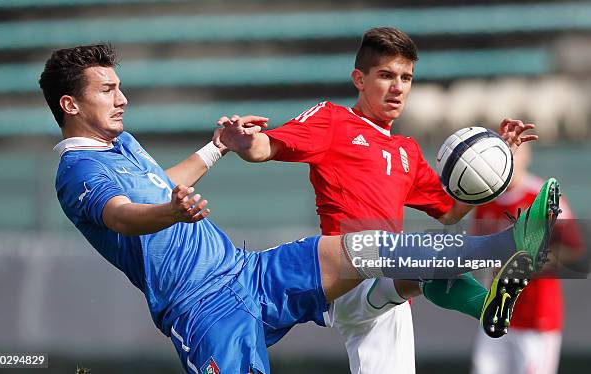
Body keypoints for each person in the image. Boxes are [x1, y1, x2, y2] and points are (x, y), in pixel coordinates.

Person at [41, 43, 558, 374]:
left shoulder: (121, 144)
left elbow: (159, 186)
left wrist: (215, 148)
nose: (122, 98)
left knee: (374, 250)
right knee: (395, 266)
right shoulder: (78, 172)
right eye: (108, 90)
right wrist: (173, 212)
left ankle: (506, 245)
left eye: (119, 86)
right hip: (200, 309)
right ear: (71, 105)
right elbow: (124, 215)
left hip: (245, 271)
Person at [214, 27, 548, 373]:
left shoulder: (407, 150)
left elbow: (450, 211)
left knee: (417, 261)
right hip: (343, 274)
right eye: (386, 75)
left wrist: (499, 166)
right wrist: (243, 142)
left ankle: (490, 306)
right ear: (359, 78)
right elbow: (265, 147)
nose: (398, 86)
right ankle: (495, 275)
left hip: (388, 283)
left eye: (406, 77)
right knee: (419, 257)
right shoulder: (333, 120)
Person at [470, 144, 582, 374]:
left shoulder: (543, 196)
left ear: (527, 156)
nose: (508, 159)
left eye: (515, 151)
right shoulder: (486, 201)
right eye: (502, 152)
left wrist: (532, 263)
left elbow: (576, 250)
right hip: (496, 313)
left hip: (536, 317)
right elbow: (476, 251)